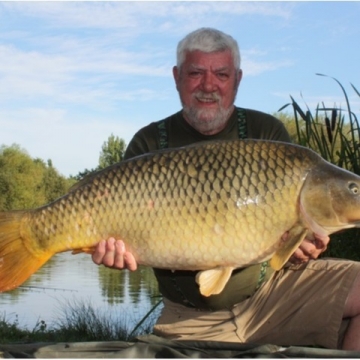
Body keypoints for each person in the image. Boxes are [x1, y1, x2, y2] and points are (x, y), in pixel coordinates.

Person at [92, 28, 360, 350]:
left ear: (237, 79)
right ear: (177, 77)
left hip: (272, 296)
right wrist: (113, 250)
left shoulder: (267, 133)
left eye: (221, 74)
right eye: (195, 73)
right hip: (190, 318)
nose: (209, 85)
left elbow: (283, 255)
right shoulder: (149, 143)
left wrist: (303, 249)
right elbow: (122, 236)